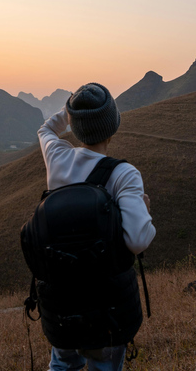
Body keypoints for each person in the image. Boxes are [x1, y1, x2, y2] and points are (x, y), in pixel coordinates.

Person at [37, 82, 156, 371]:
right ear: (113, 126)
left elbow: (45, 130)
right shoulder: (123, 174)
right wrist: (146, 210)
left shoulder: (58, 158)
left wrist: (70, 111)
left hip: (62, 299)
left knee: (62, 365)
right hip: (107, 305)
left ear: (76, 129)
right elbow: (138, 240)